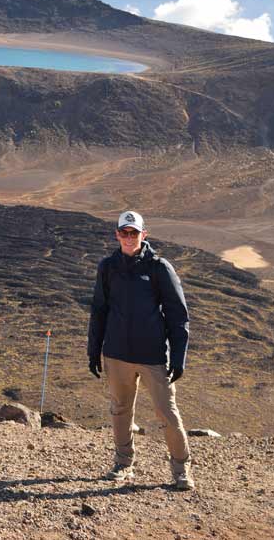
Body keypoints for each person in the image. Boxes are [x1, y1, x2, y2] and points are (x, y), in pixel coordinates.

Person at [87, 210, 194, 491]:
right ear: (117, 234)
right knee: (120, 410)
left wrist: (178, 357)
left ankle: (181, 470)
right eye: (124, 232)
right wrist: (93, 350)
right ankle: (123, 464)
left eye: (134, 233)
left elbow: (177, 315)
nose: (129, 237)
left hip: (153, 356)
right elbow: (99, 310)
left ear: (144, 235)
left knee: (167, 414)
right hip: (116, 353)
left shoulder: (160, 268)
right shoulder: (108, 267)